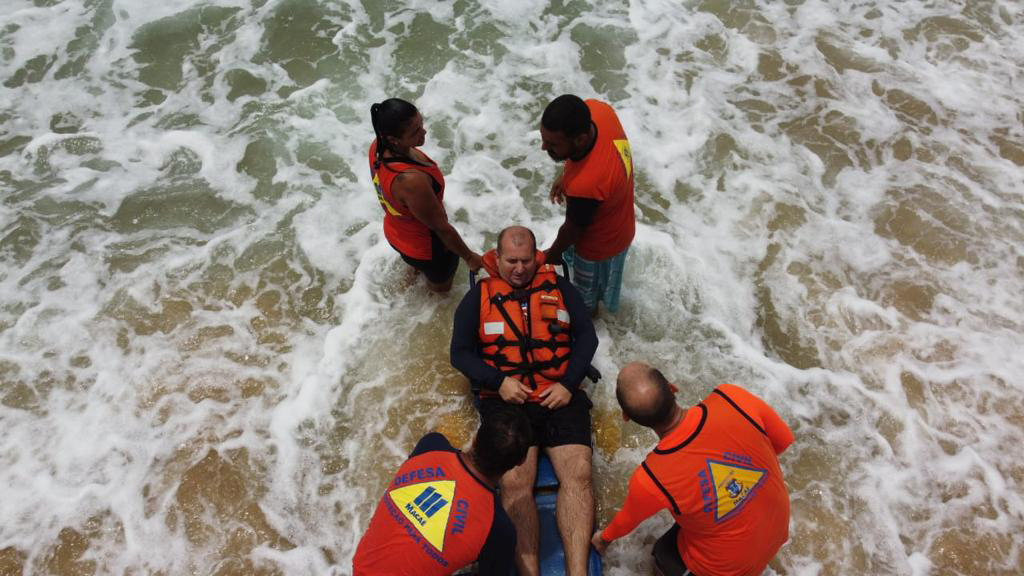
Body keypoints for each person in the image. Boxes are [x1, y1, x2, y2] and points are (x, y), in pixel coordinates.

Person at [450, 225, 599, 576]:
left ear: (537, 258)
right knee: (515, 481)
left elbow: (587, 338)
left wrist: (567, 383)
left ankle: (578, 572)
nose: (519, 269)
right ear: (497, 258)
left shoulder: (559, 288)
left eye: (526, 260)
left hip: (559, 394)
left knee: (579, 473)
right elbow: (459, 353)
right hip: (507, 400)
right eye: (512, 261)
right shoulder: (478, 298)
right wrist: (498, 381)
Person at [591, 363, 794, 576]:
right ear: (672, 387)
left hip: (729, 569)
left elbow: (625, 521)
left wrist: (602, 539)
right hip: (779, 529)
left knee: (662, 552)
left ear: (626, 417)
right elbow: (783, 441)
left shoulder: (651, 478)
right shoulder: (731, 398)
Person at [353, 406, 532, 575]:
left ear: (475, 438)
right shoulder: (498, 528)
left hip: (360, 568)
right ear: (521, 461)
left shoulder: (431, 445)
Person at [369, 98, 483, 292]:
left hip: (397, 233)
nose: (424, 132)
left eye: (421, 124)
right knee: (440, 292)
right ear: (393, 139)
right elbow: (441, 229)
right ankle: (430, 299)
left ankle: (409, 281)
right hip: (430, 250)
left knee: (417, 265)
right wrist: (470, 257)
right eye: (415, 132)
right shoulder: (411, 181)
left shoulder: (377, 148)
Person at [539, 94, 635, 315]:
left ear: (580, 140)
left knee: (585, 299)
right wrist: (567, 176)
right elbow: (596, 159)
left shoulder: (587, 185)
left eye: (552, 144)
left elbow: (572, 230)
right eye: (543, 138)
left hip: (601, 247)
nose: (543, 147)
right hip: (621, 217)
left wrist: (550, 257)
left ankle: (591, 320)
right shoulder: (600, 111)